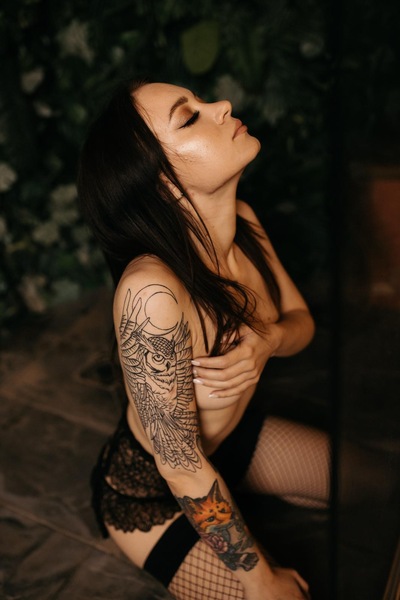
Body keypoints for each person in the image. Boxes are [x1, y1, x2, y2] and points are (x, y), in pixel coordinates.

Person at [77, 79, 331, 600]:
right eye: (189, 116)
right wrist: (262, 582)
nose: (223, 105)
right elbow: (179, 465)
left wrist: (267, 340)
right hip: (155, 493)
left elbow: (301, 323)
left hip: (230, 444)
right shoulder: (152, 294)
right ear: (163, 184)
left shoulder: (245, 221)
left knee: (380, 483)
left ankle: (255, 495)